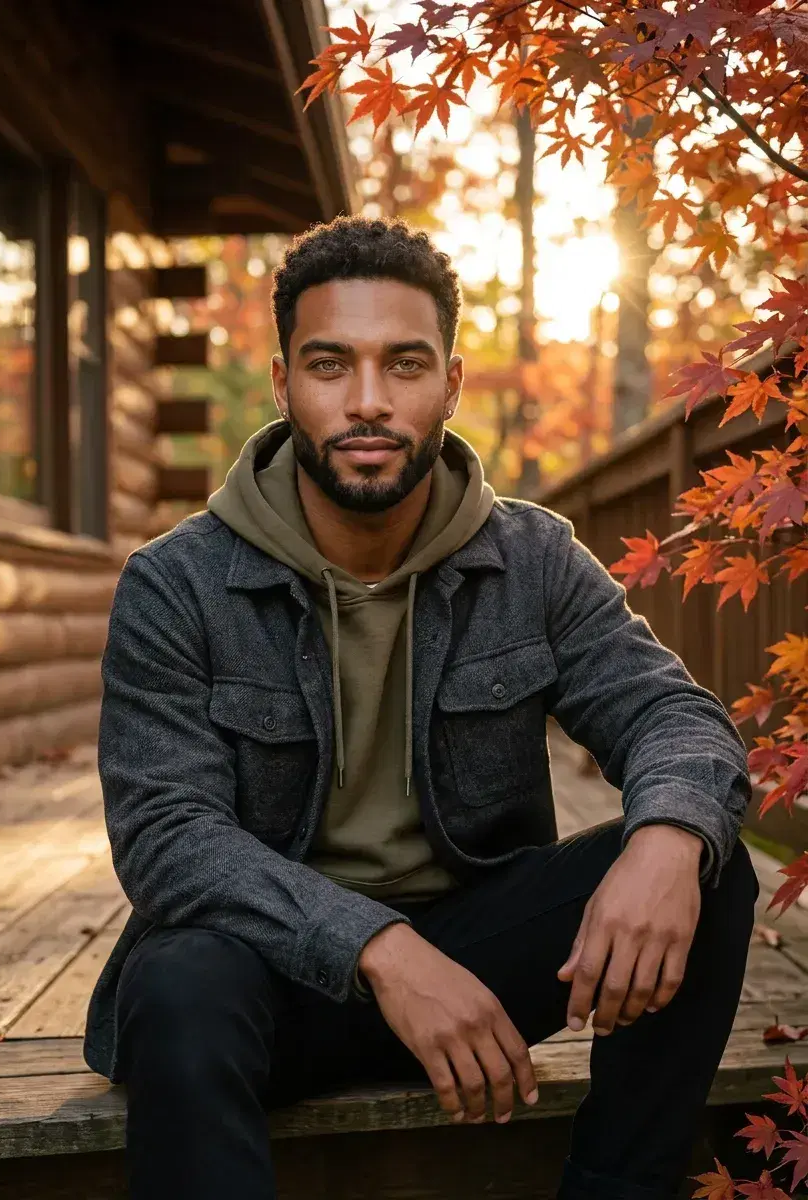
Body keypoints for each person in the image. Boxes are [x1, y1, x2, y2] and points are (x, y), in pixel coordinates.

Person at [85, 216, 758, 1200]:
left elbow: (671, 717)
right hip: (266, 983)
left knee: (704, 862)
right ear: (282, 386)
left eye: (403, 364)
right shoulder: (176, 583)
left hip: (475, 968)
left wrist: (662, 841)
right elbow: (166, 837)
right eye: (329, 365)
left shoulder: (528, 560)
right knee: (178, 983)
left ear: (449, 383)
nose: (366, 401)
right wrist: (378, 949)